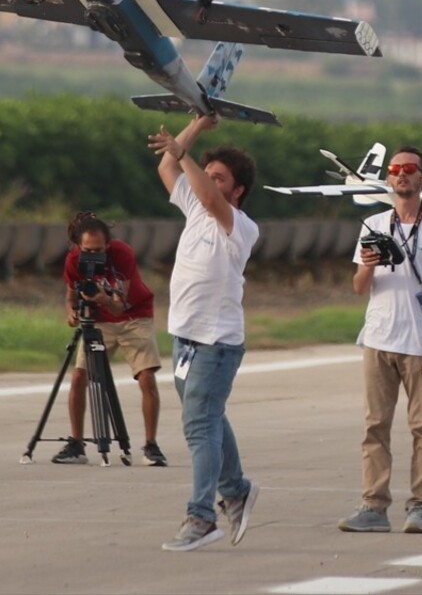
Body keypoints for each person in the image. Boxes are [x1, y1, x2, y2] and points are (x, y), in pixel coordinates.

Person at [148, 114, 259, 552]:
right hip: (185, 338)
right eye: (208, 175)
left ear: (237, 191)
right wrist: (196, 126)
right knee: (211, 418)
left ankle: (201, 515)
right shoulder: (194, 206)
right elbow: (167, 168)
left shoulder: (239, 225)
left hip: (217, 342)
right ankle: (236, 489)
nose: (208, 183)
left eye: (220, 178)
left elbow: (211, 198)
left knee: (199, 425)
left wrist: (185, 150)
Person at [336, 147, 422, 534]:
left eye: (410, 169)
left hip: (420, 341)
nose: (401, 175)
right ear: (388, 179)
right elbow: (359, 287)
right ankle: (374, 505)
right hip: (378, 338)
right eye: (395, 169)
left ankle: (420, 505)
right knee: (375, 426)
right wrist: (368, 266)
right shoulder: (374, 223)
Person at [51, 211, 167, 467]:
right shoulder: (73, 260)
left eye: (99, 249)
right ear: (78, 246)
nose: (92, 255)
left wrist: (103, 298)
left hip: (134, 316)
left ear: (108, 244)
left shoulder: (122, 254)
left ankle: (151, 445)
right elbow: (71, 292)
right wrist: (71, 311)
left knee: (146, 376)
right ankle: (77, 443)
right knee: (79, 376)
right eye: (87, 250)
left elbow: (119, 306)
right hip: (99, 320)